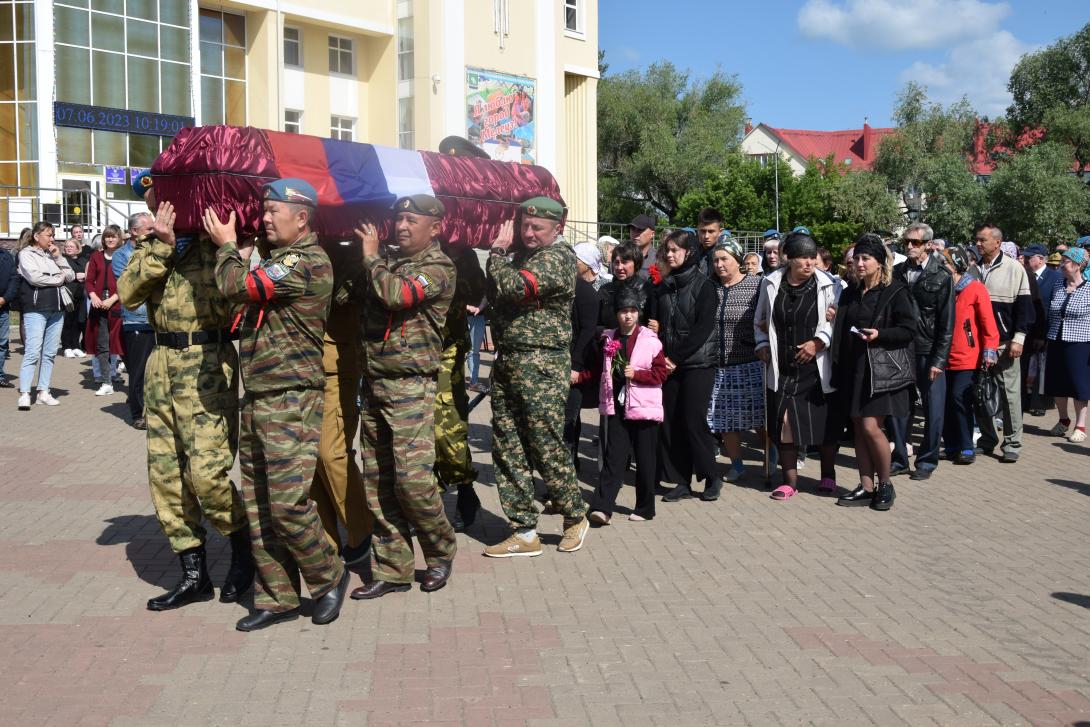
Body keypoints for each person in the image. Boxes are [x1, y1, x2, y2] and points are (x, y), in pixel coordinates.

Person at [208, 178, 349, 631]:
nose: (265, 219)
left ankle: (328, 577)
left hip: (291, 395)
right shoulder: (280, 259)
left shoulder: (306, 261)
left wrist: (229, 246)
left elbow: (237, 286)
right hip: (262, 392)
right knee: (260, 504)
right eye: (264, 211)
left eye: (274, 212)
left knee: (288, 503)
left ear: (302, 217)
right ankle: (278, 596)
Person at [118, 192, 252, 614]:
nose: (158, 200)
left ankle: (246, 548)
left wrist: (230, 246)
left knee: (207, 475)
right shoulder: (150, 246)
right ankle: (194, 576)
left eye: (161, 192)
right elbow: (128, 294)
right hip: (161, 364)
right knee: (166, 476)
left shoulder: (216, 243)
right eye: (153, 196)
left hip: (206, 364)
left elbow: (236, 299)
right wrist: (160, 243)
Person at [349, 194, 459, 598]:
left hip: (412, 385)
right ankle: (393, 567)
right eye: (398, 218)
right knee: (378, 481)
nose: (401, 226)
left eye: (411, 219)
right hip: (375, 382)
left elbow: (399, 296)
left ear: (435, 227)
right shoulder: (386, 262)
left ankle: (440, 550)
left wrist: (372, 258)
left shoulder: (439, 267)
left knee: (413, 483)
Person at [483, 197, 590, 558]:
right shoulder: (524, 256)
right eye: (524, 226)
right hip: (511, 359)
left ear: (557, 228)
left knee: (544, 444)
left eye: (537, 228)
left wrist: (496, 255)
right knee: (507, 445)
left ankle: (575, 516)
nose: (528, 233)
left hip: (541, 364)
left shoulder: (559, 259)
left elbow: (515, 288)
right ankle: (523, 530)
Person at [754, 232, 841, 500]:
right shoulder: (770, 283)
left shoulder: (831, 285)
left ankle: (828, 475)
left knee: (823, 424)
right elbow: (760, 319)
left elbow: (836, 321)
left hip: (816, 366)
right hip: (783, 366)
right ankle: (789, 480)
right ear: (788, 258)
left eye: (812, 256)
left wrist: (819, 342)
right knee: (785, 422)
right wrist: (762, 345)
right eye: (802, 257)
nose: (809, 262)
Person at [832, 234, 916, 511]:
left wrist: (880, 334)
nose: (858, 263)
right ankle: (865, 486)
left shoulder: (895, 291)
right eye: (856, 258)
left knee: (871, 426)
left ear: (880, 263)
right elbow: (843, 330)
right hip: (853, 368)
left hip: (881, 370)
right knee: (858, 427)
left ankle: (886, 485)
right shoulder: (850, 291)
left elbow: (908, 330)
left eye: (865, 258)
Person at [309, 238, 373, 564]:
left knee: (331, 453)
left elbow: (335, 296)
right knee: (311, 462)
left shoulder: (352, 256)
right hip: (302, 369)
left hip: (338, 365)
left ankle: (362, 532)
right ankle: (328, 541)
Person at [589, 287, 668, 524]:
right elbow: (597, 371)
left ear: (639, 313)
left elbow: (661, 373)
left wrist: (638, 374)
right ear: (616, 314)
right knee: (613, 458)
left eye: (633, 311)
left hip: (644, 408)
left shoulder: (650, 340)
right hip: (618, 407)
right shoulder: (608, 338)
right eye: (623, 311)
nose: (628, 316)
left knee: (645, 460)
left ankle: (645, 508)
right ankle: (602, 507)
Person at [655, 229, 721, 502]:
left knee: (693, 421)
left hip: (698, 364)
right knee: (670, 422)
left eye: (675, 250)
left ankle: (711, 476)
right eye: (667, 250)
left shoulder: (705, 286)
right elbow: (660, 324)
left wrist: (674, 357)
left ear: (689, 252)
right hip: (670, 365)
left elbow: (702, 329)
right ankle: (680, 480)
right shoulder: (665, 286)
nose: (670, 255)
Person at [889, 222, 954, 481]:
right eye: (906, 242)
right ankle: (900, 458)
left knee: (934, 408)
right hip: (901, 349)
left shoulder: (942, 275)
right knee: (898, 406)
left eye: (915, 242)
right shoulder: (896, 272)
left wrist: (940, 359)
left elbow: (946, 323)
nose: (909, 246)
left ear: (928, 244)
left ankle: (927, 461)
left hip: (929, 350)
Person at [435, 239, 486, 530]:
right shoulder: (402, 248)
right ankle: (432, 506)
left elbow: (479, 291)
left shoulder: (463, 254)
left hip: (448, 350)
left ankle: (465, 490)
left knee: (447, 429)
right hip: (411, 354)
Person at [975, 224, 1035, 463]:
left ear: (997, 243)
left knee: (1009, 395)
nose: (978, 244)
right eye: (977, 240)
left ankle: (1012, 443)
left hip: (1004, 343)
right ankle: (988, 439)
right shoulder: (973, 268)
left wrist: (1018, 339)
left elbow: (1025, 310)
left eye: (983, 240)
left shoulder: (1014, 269)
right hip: (977, 345)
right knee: (981, 394)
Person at [706, 237, 763, 483]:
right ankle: (737, 464)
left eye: (724, 259)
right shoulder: (710, 289)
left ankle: (771, 457)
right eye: (715, 260)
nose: (719, 265)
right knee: (726, 419)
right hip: (720, 364)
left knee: (759, 417)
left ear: (737, 260)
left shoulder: (757, 285)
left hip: (750, 363)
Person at [939, 246, 998, 464]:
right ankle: (952, 445)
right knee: (944, 402)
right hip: (942, 357)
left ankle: (966, 446)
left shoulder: (975, 289)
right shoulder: (941, 288)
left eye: (944, 263)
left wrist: (989, 353)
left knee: (960, 399)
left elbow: (988, 325)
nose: (940, 266)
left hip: (967, 357)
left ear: (955, 265)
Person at [16, 222, 74, 408]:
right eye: (49, 235)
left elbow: (71, 275)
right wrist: (58, 278)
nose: (52, 239)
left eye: (53, 235)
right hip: (36, 308)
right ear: (36, 236)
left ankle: (43, 391)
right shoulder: (26, 254)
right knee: (33, 351)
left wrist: (59, 257)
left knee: (49, 353)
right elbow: (34, 278)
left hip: (57, 309)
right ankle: (25, 392)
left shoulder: (53, 254)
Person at [113, 213, 157, 429]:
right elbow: (131, 286)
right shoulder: (121, 255)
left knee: (157, 372)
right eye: (148, 229)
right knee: (138, 371)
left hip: (158, 320)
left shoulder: (158, 249)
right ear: (134, 232)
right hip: (137, 320)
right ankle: (137, 413)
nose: (153, 232)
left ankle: (156, 411)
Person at [565, 242, 605, 469]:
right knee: (568, 417)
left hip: (579, 362)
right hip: (572, 360)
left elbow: (588, 330)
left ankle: (568, 468)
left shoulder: (585, 291)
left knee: (568, 418)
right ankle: (569, 464)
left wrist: (576, 363)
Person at [1044, 247, 1090, 443]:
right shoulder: (1058, 286)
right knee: (1057, 383)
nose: (1062, 265)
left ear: (1078, 265)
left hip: (1080, 343)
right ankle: (1063, 419)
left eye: (1066, 261)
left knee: (1079, 385)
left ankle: (1081, 426)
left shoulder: (1089, 289)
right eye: (1062, 261)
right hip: (1056, 340)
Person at [84, 225, 125, 397]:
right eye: (107, 236)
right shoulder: (96, 257)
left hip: (117, 305)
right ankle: (105, 381)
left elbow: (126, 282)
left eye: (113, 236)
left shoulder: (124, 256)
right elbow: (89, 280)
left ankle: (114, 373)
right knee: (102, 344)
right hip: (99, 306)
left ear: (119, 238)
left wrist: (113, 299)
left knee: (117, 343)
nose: (110, 239)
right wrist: (93, 296)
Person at [1023, 243, 1060, 416]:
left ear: (1041, 259)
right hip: (1025, 330)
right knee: (1025, 368)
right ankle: (1024, 401)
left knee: (1040, 369)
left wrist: (1044, 334)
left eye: (1030, 257)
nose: (1026, 259)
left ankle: (1039, 404)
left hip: (1043, 329)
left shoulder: (1054, 277)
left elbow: (1052, 308)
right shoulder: (1024, 274)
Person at [598, 242, 654, 326]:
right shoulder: (605, 291)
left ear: (636, 264)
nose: (620, 267)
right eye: (616, 262)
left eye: (624, 262)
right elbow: (597, 323)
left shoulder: (647, 290)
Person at [60, 238, 88, 358]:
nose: (69, 248)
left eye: (72, 246)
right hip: (68, 293)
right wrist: (75, 276)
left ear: (78, 248)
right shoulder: (62, 260)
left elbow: (90, 274)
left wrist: (85, 275)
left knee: (79, 321)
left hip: (81, 294)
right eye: (67, 246)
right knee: (67, 320)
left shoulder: (84, 260)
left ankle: (76, 346)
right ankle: (66, 346)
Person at [0, 244, 17, 387]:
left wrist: (5, 298)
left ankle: (0, 375)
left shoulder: (6, 256)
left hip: (2, 307)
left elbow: (13, 279)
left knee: (2, 343)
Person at [694, 207, 724, 277]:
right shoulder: (691, 252)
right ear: (697, 230)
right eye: (703, 231)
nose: (706, 236)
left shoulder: (727, 255)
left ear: (720, 232)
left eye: (711, 231)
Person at [628, 213, 657, 280]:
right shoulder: (620, 255)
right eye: (632, 229)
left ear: (652, 234)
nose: (635, 234)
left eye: (640, 230)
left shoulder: (659, 259)